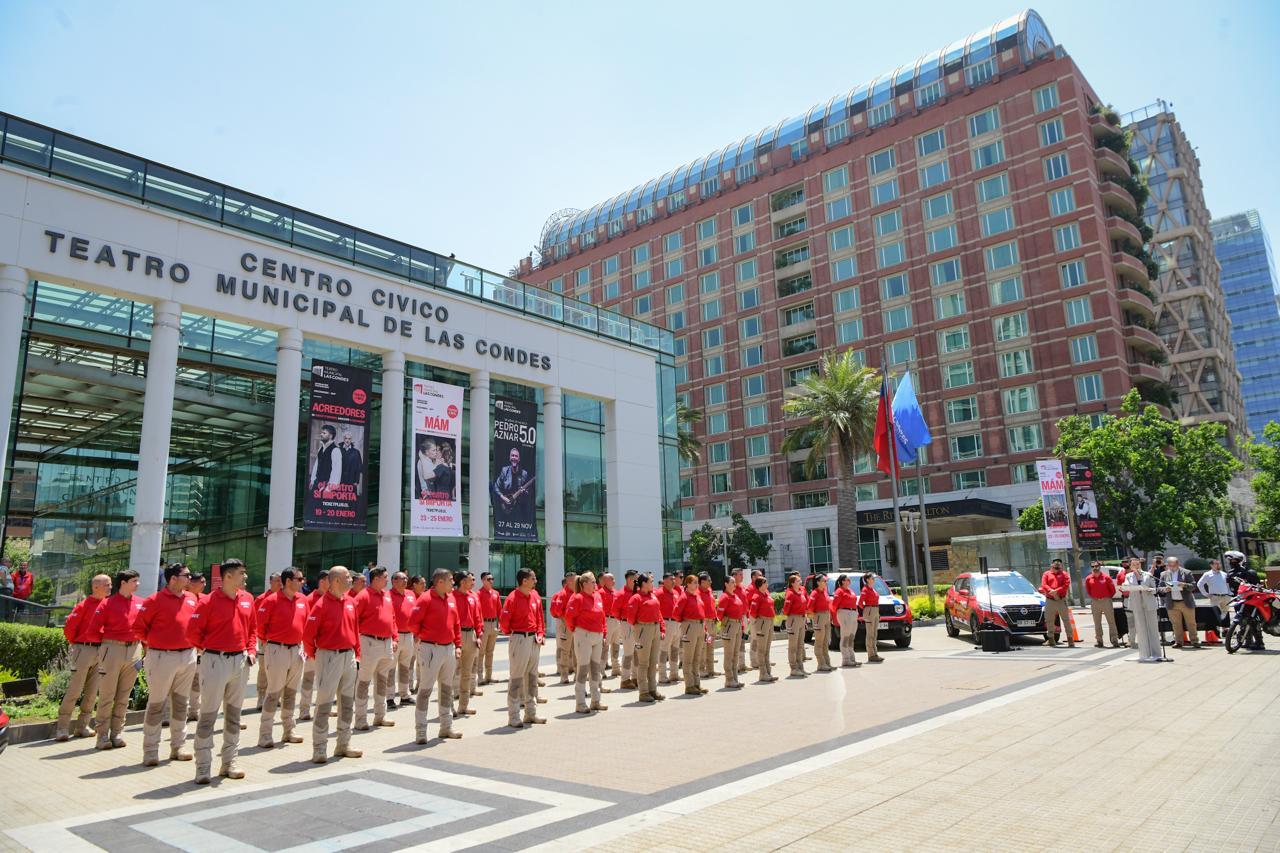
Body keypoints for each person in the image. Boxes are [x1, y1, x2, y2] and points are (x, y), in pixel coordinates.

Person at [187, 559, 255, 784]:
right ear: (227, 576)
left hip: (240, 662)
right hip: (215, 661)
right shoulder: (208, 602)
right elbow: (192, 633)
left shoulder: (247, 599)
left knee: (234, 715)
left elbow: (252, 629)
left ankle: (229, 763)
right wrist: (210, 649)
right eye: (241, 574)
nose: (245, 577)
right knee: (208, 715)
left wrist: (251, 650)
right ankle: (203, 767)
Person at [136, 563, 198, 766]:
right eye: (186, 575)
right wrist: (155, 644)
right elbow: (138, 628)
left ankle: (178, 746)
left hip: (187, 656)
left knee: (181, 704)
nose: (190, 579)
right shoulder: (154, 600)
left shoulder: (191, 599)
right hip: (161, 657)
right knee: (156, 704)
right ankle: (151, 750)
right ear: (173, 578)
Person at [303, 566, 362, 764]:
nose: (350, 580)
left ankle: (343, 744)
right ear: (335, 580)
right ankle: (319, 748)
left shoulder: (351, 602)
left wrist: (357, 654)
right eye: (347, 577)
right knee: (325, 703)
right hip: (329, 657)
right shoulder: (321, 605)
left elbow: (355, 630)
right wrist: (317, 656)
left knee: (347, 702)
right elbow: (308, 635)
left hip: (349, 657)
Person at [87, 568, 145, 750]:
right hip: (112, 649)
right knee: (107, 695)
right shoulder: (107, 604)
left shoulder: (140, 603)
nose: (138, 584)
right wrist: (107, 646)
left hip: (135, 650)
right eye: (134, 581)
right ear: (124, 583)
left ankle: (117, 733)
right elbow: (93, 631)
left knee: (124, 696)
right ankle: (102, 735)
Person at [256, 566, 309, 749]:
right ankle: (265, 734)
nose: (303, 582)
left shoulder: (303, 600)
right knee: (273, 693)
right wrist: (271, 644)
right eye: (299, 579)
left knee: (291, 692)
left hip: (297, 650)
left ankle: (289, 730)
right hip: (277, 649)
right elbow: (260, 628)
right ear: (288, 581)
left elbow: (306, 623)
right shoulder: (271, 601)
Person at [408, 568, 463, 743]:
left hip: (449, 649)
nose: (452, 583)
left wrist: (458, 645)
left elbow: (456, 624)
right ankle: (421, 731)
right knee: (425, 690)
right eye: (450, 580)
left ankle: (446, 727)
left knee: (446, 690)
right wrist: (424, 638)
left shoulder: (451, 599)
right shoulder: (425, 599)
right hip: (430, 649)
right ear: (440, 582)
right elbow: (412, 623)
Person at [54, 573, 110, 741]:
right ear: (96, 587)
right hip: (84, 650)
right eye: (106, 584)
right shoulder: (83, 605)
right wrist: (78, 645)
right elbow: (70, 628)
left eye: (110, 584)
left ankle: (82, 726)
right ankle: (62, 728)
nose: (110, 587)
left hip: (101, 651)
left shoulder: (108, 605)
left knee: (92, 692)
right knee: (74, 690)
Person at [500, 568, 546, 728]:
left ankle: (531, 713)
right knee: (517, 678)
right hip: (519, 638)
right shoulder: (512, 598)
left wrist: (541, 633)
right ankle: (513, 716)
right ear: (524, 581)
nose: (536, 581)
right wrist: (512, 633)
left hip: (534, 639)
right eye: (533, 578)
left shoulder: (535, 595)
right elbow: (504, 622)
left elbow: (540, 617)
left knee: (532, 677)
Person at [353, 566, 396, 730]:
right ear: (376, 578)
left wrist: (395, 637)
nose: (387, 580)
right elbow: (353, 619)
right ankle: (360, 719)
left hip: (386, 643)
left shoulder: (386, 595)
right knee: (364, 681)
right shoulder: (363, 596)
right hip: (369, 642)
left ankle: (380, 716)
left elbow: (392, 618)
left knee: (382, 680)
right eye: (385, 577)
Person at [565, 571, 608, 713]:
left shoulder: (597, 596)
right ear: (584, 584)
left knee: (596, 669)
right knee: (583, 669)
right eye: (593, 582)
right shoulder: (577, 598)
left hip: (597, 635)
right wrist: (577, 632)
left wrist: (604, 633)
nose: (596, 584)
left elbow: (602, 616)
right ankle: (580, 702)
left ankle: (596, 701)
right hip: (583, 635)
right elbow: (569, 617)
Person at [627, 573, 667, 702]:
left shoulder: (652, 595)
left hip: (654, 629)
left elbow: (659, 613)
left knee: (653, 662)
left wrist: (661, 628)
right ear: (643, 583)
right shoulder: (636, 598)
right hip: (643, 629)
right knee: (643, 663)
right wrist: (639, 629)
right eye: (651, 581)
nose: (653, 584)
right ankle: (643, 692)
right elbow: (630, 618)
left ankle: (652, 690)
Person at [297, 569, 329, 721]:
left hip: (327, 646)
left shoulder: (333, 598)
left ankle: (322, 708)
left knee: (325, 680)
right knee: (309, 678)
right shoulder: (309, 599)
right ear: (322, 582)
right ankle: (304, 709)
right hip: (313, 646)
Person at [451, 571, 483, 718]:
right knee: (451, 672)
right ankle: (449, 707)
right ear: (463, 582)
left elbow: (477, 617)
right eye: (471, 580)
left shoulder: (473, 596)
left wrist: (479, 634)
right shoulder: (451, 597)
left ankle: (463, 706)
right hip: (455, 636)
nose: (473, 582)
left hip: (471, 636)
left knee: (467, 673)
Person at [1121, 557, 1161, 662]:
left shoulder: (1148, 575)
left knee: (1152, 628)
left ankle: (1156, 653)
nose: (1136, 566)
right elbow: (1126, 586)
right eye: (1133, 565)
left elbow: (1154, 589)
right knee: (1140, 628)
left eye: (1137, 564)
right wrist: (1125, 586)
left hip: (1149, 603)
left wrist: (1148, 589)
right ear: (1130, 566)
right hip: (1136, 603)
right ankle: (1144, 654)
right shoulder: (1128, 576)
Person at [673, 574, 707, 696]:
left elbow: (702, 612)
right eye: (694, 582)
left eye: (697, 582)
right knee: (688, 658)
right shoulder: (684, 597)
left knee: (697, 657)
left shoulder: (696, 596)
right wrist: (685, 624)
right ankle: (689, 685)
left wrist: (704, 628)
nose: (696, 585)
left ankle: (696, 684)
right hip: (690, 626)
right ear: (687, 584)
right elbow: (676, 614)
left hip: (699, 626)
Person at [253, 573, 282, 709]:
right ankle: (261, 697)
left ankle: (276, 697)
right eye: (277, 581)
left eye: (281, 581)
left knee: (280, 670)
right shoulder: (261, 599)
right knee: (264, 669)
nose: (279, 583)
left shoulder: (285, 597)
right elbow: (256, 621)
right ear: (270, 582)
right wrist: (263, 639)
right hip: (266, 640)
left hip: (281, 641)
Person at [389, 571, 418, 706]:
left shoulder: (411, 594)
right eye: (402, 579)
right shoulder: (387, 595)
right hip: (395, 636)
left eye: (406, 578)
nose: (406, 581)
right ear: (394, 581)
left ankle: (405, 695)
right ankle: (389, 697)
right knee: (391, 667)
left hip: (409, 635)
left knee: (405, 667)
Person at [1160, 557, 1200, 649]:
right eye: (1169, 565)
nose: (1171, 567)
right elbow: (1160, 588)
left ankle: (1194, 641)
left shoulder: (1186, 572)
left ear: (1178, 564)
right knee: (1175, 623)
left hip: (1185, 602)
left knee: (1191, 623)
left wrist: (1184, 585)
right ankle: (1178, 642)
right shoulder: (1164, 574)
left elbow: (1193, 586)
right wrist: (1164, 589)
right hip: (1172, 602)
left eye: (1173, 565)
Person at [491, 447, 534, 528]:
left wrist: (524, 491)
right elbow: (496, 486)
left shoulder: (524, 474)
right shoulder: (504, 471)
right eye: (512, 456)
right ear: (510, 458)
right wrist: (503, 497)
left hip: (519, 509)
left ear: (519, 459)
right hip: (505, 508)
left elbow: (529, 492)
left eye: (516, 456)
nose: (514, 458)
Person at [716, 575, 746, 689]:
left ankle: (735, 678)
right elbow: (719, 615)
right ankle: (729, 679)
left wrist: (741, 625)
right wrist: (726, 624)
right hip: (729, 626)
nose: (734, 584)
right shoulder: (725, 597)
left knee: (735, 654)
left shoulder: (735, 596)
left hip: (737, 625)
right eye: (732, 582)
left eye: (734, 582)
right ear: (726, 584)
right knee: (729, 654)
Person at [185, 571, 207, 722]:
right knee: (183, 681)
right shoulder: (184, 597)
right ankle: (171, 713)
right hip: (185, 645)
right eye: (202, 582)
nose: (205, 585)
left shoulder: (206, 599)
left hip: (201, 646)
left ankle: (194, 710)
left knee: (198, 680)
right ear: (191, 583)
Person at [611, 570, 639, 688]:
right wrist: (623, 621)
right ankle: (625, 679)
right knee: (628, 653)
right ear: (629, 579)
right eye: (635, 579)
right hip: (626, 624)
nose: (637, 582)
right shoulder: (621, 594)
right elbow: (614, 610)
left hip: (638, 625)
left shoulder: (637, 592)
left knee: (637, 652)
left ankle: (635, 677)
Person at [1039, 558, 1075, 648]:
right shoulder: (1046, 574)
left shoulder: (1065, 574)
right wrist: (1051, 590)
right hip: (1050, 600)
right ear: (1052, 566)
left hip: (1060, 600)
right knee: (1049, 620)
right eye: (1055, 566)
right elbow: (1044, 584)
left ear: (1061, 566)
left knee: (1066, 620)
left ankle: (1070, 639)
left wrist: (1056, 591)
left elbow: (1066, 585)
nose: (1057, 568)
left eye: (1058, 567)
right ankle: (1051, 639)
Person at [1084, 561, 1121, 648]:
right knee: (1097, 622)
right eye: (1093, 566)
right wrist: (1095, 597)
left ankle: (1114, 640)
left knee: (1111, 621)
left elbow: (1112, 590)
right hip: (1095, 601)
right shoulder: (1088, 578)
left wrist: (1107, 598)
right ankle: (1099, 640)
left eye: (1096, 566)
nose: (1095, 568)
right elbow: (1088, 590)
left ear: (1099, 567)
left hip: (1106, 600)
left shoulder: (1106, 577)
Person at [748, 577, 777, 682]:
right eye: (765, 583)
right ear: (760, 585)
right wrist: (758, 624)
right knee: (762, 650)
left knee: (767, 649)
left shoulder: (766, 595)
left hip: (769, 622)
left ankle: (768, 672)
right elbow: (753, 613)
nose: (767, 585)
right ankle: (763, 673)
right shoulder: (756, 597)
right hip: (762, 622)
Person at [550, 573, 577, 684]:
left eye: (574, 580)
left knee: (577, 651)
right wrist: (568, 622)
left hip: (577, 626)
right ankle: (564, 674)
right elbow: (558, 612)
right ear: (566, 581)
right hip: (565, 625)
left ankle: (577, 674)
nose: (572, 582)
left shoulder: (578, 592)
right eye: (570, 580)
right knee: (564, 650)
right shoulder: (561, 594)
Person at [655, 573, 681, 685]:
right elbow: (656, 610)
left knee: (675, 649)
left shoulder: (675, 593)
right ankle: (662, 675)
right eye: (671, 579)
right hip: (666, 622)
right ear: (664, 580)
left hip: (676, 623)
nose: (674, 581)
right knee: (663, 650)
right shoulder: (659, 593)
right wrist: (661, 627)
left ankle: (674, 674)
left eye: (674, 579)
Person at [477, 572, 501, 685]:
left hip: (493, 624)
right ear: (483, 580)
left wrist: (500, 623)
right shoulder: (478, 594)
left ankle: (489, 676)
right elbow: (477, 611)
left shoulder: (496, 593)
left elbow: (499, 610)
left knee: (490, 652)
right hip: (484, 624)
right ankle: (480, 677)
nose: (491, 581)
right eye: (488, 579)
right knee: (481, 652)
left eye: (492, 578)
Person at [782, 573, 809, 678]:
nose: (800, 582)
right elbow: (786, 610)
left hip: (802, 618)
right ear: (792, 583)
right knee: (793, 645)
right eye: (798, 581)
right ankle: (794, 668)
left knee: (800, 644)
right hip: (794, 619)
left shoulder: (800, 592)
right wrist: (791, 618)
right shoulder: (790, 594)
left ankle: (800, 667)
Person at [831, 574, 861, 668]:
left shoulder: (850, 591)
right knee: (845, 636)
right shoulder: (839, 591)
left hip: (852, 613)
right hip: (844, 613)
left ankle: (852, 658)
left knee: (851, 636)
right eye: (847, 579)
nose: (849, 581)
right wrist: (835, 617)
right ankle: (846, 659)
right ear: (843, 581)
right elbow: (834, 605)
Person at [808, 575, 833, 672]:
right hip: (819, 616)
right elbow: (810, 608)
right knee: (819, 641)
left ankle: (827, 663)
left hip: (826, 616)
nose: (826, 582)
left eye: (826, 581)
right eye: (824, 581)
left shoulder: (825, 592)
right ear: (818, 582)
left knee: (826, 641)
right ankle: (821, 664)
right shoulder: (814, 593)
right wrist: (815, 617)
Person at [1197, 558, 1234, 625]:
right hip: (1215, 597)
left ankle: (1224, 629)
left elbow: (1227, 584)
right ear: (1211, 565)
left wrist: (1229, 593)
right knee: (1215, 614)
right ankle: (1216, 630)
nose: (1218, 565)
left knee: (1225, 614)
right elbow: (1200, 584)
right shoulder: (1207, 574)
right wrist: (1205, 594)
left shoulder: (1224, 574)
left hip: (1226, 597)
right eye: (1216, 564)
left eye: (1219, 563)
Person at [309, 424, 344, 493]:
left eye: (324, 433)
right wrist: (312, 480)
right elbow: (316, 465)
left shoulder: (335, 450)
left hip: (327, 488)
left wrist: (329, 489)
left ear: (330, 436)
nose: (321, 434)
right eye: (321, 433)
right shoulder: (321, 448)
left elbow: (336, 472)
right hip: (317, 484)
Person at [860, 572, 884, 663]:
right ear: (867, 580)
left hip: (875, 611)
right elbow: (860, 603)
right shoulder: (865, 589)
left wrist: (877, 612)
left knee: (874, 634)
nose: (874, 579)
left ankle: (875, 653)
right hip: (870, 611)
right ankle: (871, 655)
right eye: (872, 578)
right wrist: (867, 610)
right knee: (870, 635)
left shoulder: (872, 589)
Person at [698, 573, 718, 677]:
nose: (711, 582)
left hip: (712, 623)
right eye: (708, 580)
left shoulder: (709, 591)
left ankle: (711, 670)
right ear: (702, 582)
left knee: (710, 646)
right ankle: (701, 669)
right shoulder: (697, 593)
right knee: (703, 647)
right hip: (704, 623)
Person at [747, 569, 765, 670]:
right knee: (754, 638)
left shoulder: (762, 586)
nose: (761, 577)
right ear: (753, 577)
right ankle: (754, 661)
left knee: (763, 639)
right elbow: (748, 604)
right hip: (755, 618)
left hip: (764, 619)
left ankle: (762, 659)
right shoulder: (750, 589)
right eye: (759, 575)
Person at [339, 430, 364, 497]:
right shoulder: (338, 450)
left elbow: (358, 468)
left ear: (351, 440)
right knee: (340, 498)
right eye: (346, 438)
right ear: (343, 439)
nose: (347, 440)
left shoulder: (356, 452)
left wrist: (356, 481)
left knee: (351, 500)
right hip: (340, 480)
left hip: (351, 480)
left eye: (349, 439)